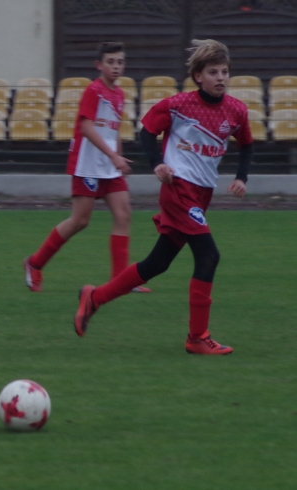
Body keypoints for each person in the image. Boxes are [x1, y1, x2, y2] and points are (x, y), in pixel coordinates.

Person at [74, 39, 252, 355]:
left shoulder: (236, 110)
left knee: (158, 263)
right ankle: (197, 337)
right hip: (178, 190)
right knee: (209, 255)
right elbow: (146, 131)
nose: (221, 77)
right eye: (213, 72)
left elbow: (247, 144)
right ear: (198, 76)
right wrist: (158, 162)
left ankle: (94, 297)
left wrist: (241, 177)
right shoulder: (178, 105)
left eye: (224, 71)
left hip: (201, 195)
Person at [24, 42, 149, 294]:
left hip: (109, 165)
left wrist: (119, 160)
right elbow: (86, 127)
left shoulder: (120, 94)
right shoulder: (94, 90)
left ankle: (119, 281)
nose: (116, 66)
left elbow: (114, 130)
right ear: (99, 65)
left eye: (120, 62)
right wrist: (113, 155)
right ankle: (34, 263)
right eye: (111, 62)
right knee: (80, 220)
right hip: (88, 164)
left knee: (124, 215)